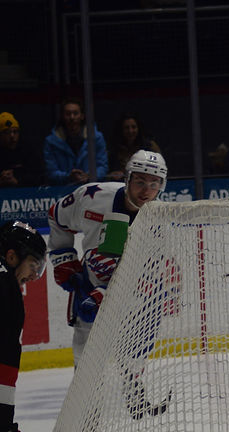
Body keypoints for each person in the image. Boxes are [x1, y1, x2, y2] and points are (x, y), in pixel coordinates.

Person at [47, 150, 167, 365]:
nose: (146, 191)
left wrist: (107, 294)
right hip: (89, 283)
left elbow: (151, 275)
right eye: (140, 181)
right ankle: (86, 398)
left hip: (136, 298)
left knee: (133, 360)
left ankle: (134, 392)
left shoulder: (160, 222)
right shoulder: (92, 197)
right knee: (84, 360)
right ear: (127, 178)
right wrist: (64, 259)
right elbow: (57, 215)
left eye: (154, 184)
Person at [0, 221, 46, 432]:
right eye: (32, 265)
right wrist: (4, 427)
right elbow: (4, 363)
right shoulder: (7, 288)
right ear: (11, 256)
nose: (33, 274)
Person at [43, 98, 108, 186]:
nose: (72, 117)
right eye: (68, 114)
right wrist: (68, 176)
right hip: (62, 190)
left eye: (75, 113)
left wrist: (89, 176)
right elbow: (51, 172)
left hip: (91, 188)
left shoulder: (96, 138)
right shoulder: (51, 142)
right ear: (62, 116)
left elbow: (103, 166)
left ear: (82, 116)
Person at [107, 113, 161, 182]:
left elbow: (159, 168)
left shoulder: (150, 146)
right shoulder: (114, 148)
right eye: (127, 128)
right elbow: (108, 173)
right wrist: (113, 174)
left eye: (133, 127)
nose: (130, 131)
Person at [0, 112, 43, 188]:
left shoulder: (27, 149)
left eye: (15, 131)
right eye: (7, 132)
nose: (12, 136)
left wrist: (17, 182)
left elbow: (39, 176)